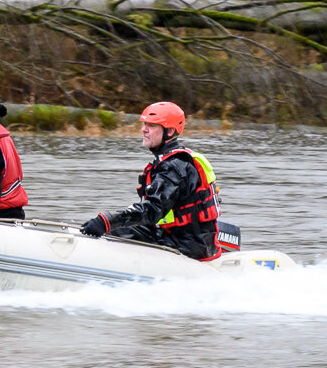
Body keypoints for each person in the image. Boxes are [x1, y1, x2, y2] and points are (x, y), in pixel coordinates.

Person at [80, 101, 221, 260]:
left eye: (152, 126)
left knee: (112, 230)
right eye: (145, 124)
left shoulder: (174, 167)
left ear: (170, 131)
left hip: (187, 246)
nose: (143, 129)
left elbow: (152, 210)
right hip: (185, 238)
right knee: (118, 230)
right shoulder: (174, 161)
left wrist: (107, 221)